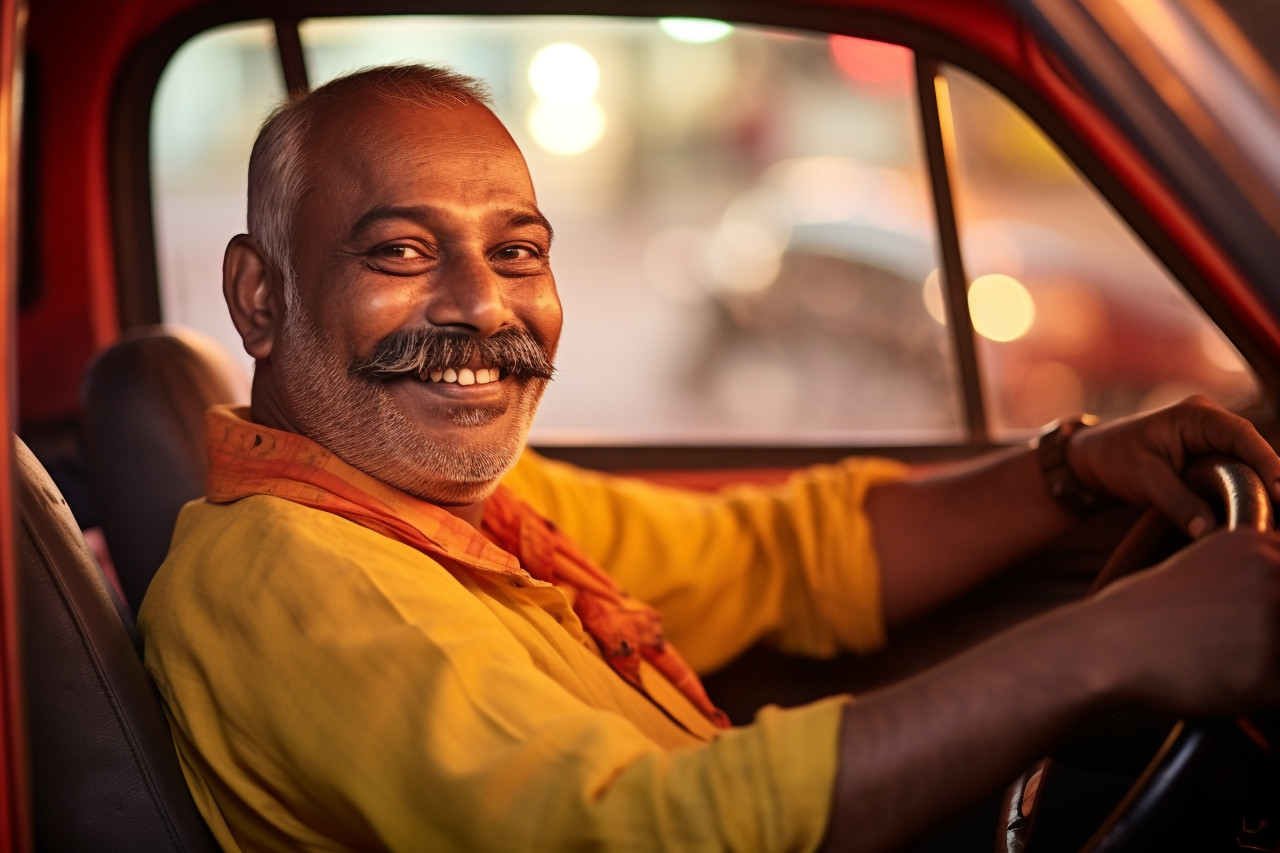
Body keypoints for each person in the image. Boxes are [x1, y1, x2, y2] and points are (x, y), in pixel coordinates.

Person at [138, 64, 1280, 853]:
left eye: (517, 249)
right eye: (398, 247)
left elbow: (786, 553)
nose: (484, 304)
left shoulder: (472, 511)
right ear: (258, 293)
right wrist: (1106, 646)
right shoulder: (281, 579)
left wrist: (1074, 467)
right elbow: (642, 830)